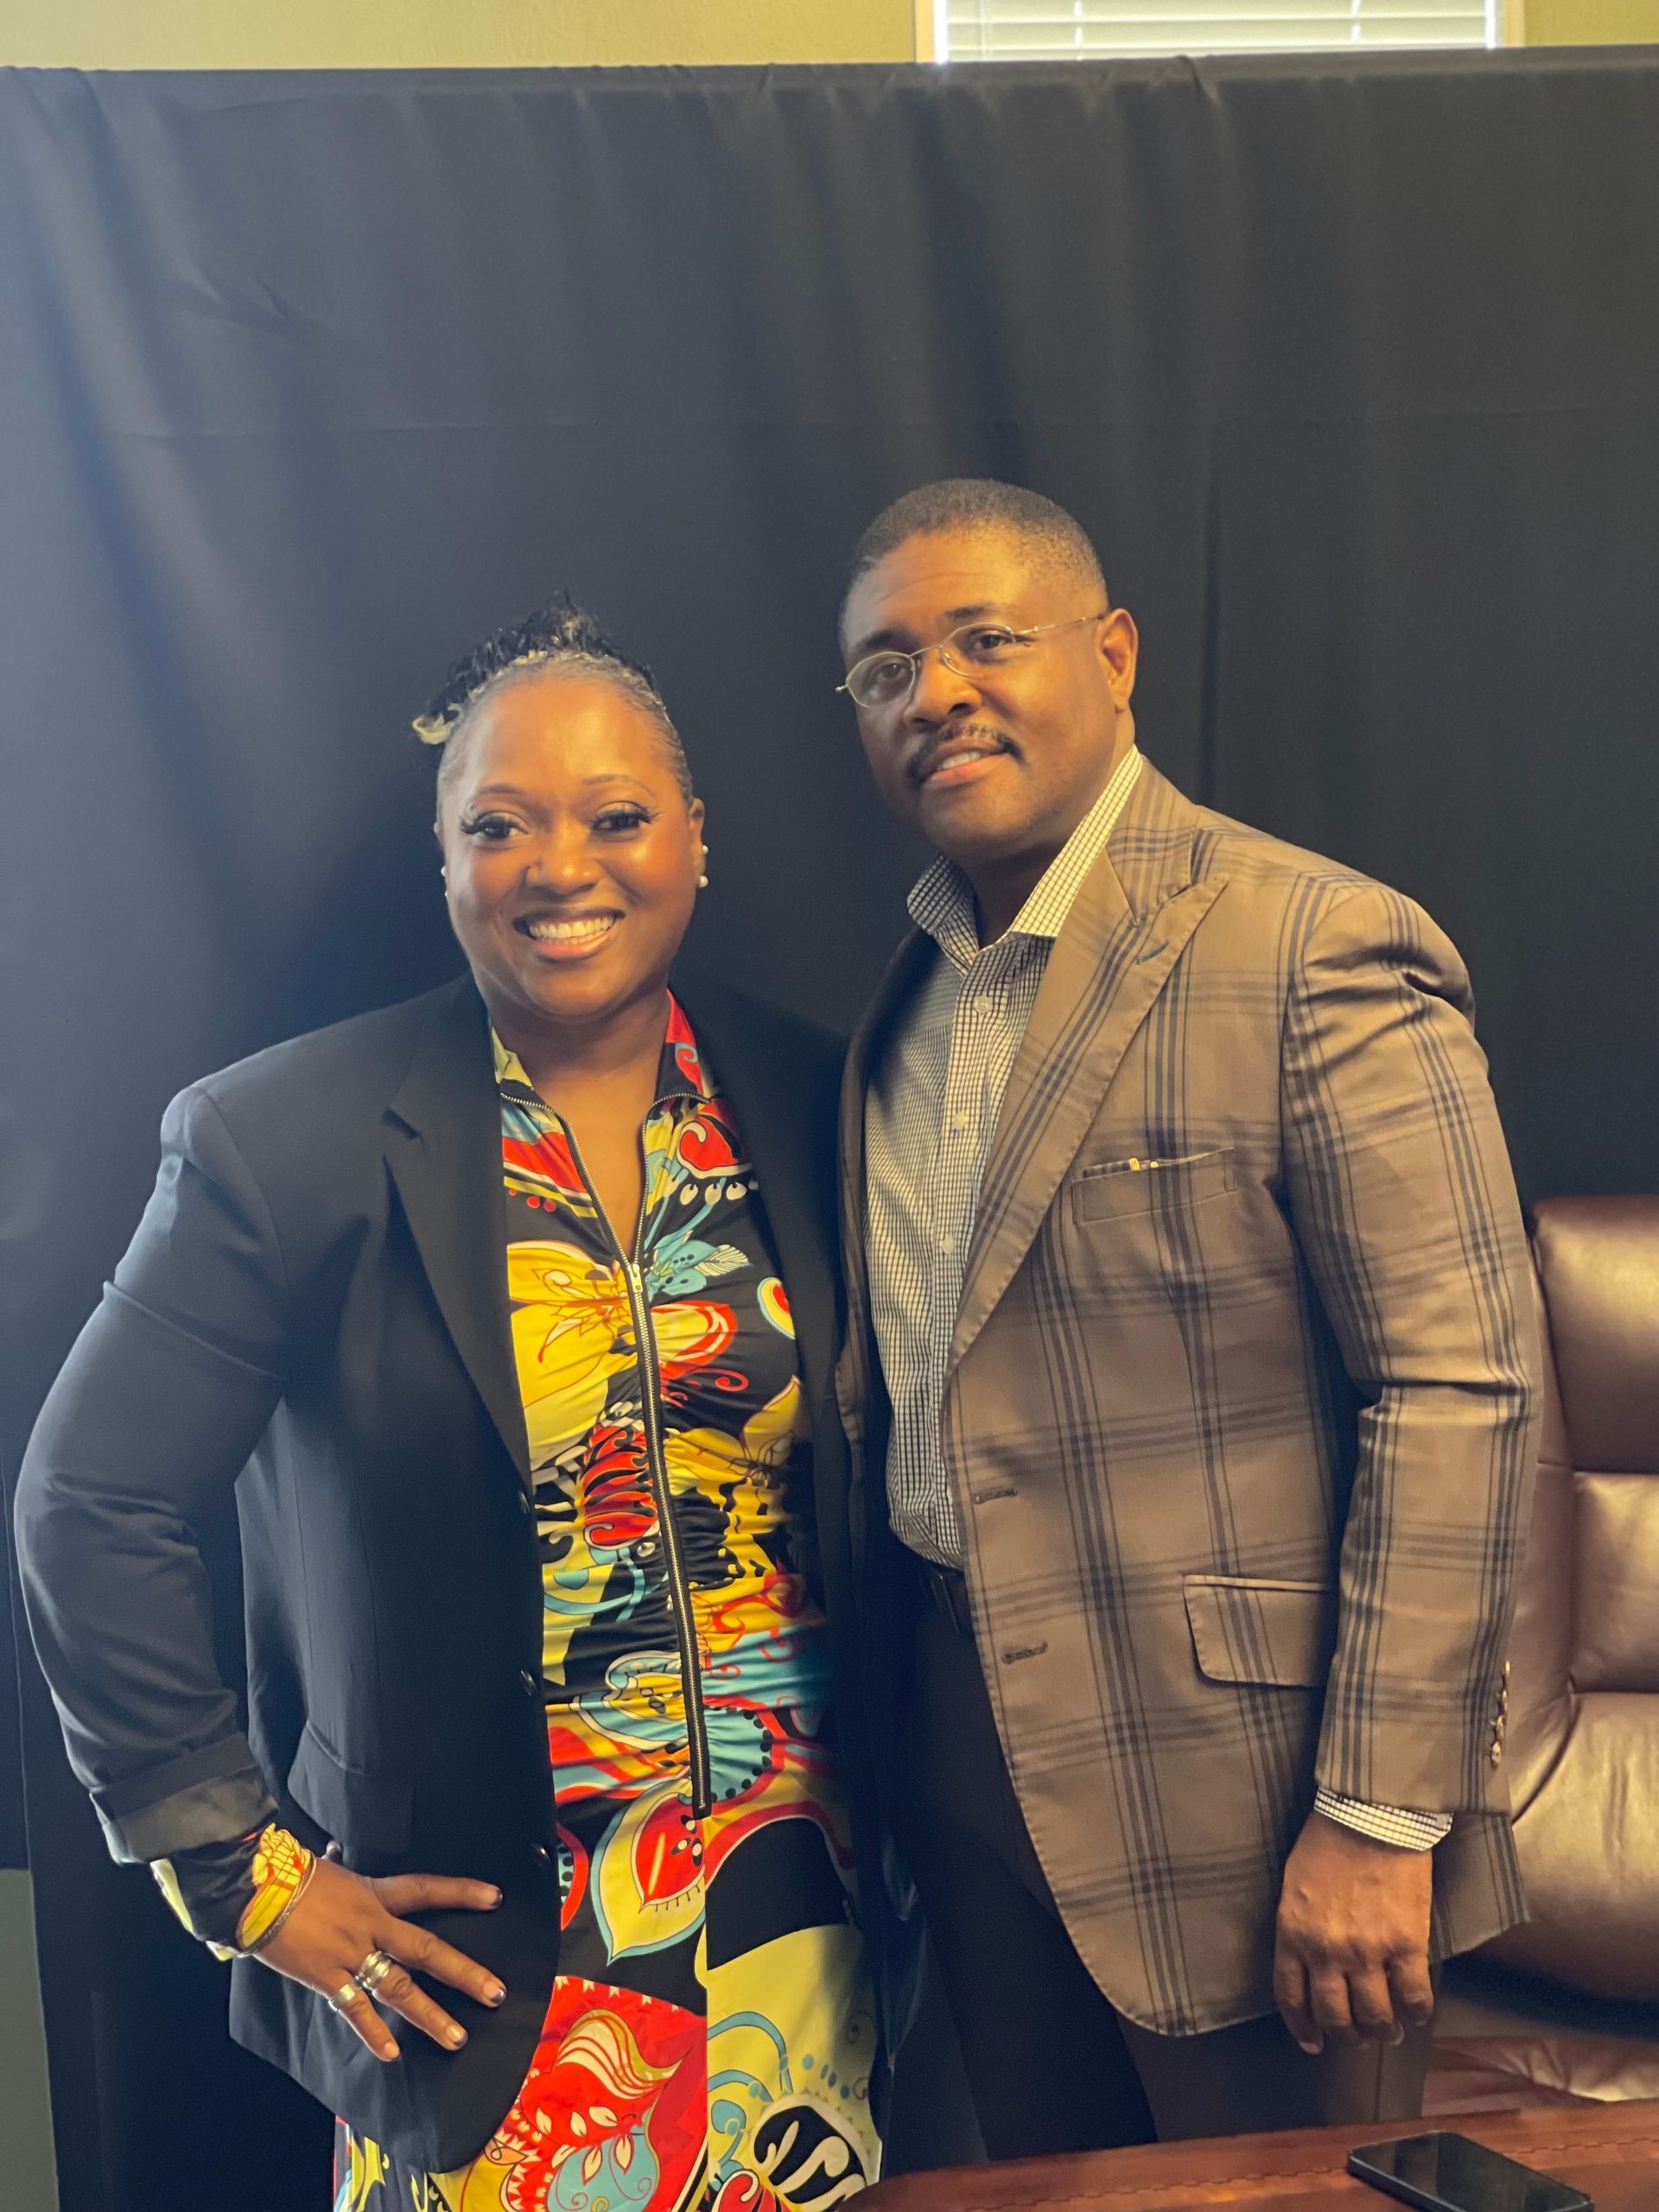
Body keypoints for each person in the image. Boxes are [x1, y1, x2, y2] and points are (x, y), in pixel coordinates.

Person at [16, 601, 890, 2209]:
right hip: (492, 1979)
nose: (563, 866)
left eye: (617, 816)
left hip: (819, 1944)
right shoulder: (283, 1142)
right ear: (444, 859)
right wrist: (248, 1880)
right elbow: (88, 1502)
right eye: (501, 825)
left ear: (696, 838)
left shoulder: (821, 1099)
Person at [831, 480, 1541, 2152]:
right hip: (964, 1763)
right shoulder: (908, 994)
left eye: (984, 638)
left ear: (1116, 651)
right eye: (882, 667)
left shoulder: (1314, 939)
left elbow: (1462, 1385)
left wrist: (1378, 1809)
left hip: (1253, 1797)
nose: (935, 691)